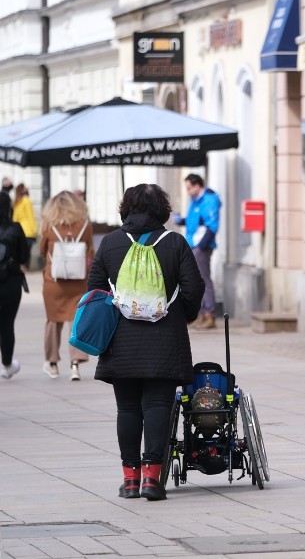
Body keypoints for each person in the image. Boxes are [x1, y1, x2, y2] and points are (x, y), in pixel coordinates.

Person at [88, 183, 203, 501]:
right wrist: (183, 315)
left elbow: (95, 290)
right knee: (157, 406)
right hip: (164, 340)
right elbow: (194, 287)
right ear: (162, 209)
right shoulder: (175, 243)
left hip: (120, 341)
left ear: (126, 207)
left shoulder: (110, 243)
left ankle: (130, 480)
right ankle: (153, 479)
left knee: (127, 409)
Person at [40, 191, 94, 381]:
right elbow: (90, 251)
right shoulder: (85, 225)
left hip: (54, 282)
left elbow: (41, 250)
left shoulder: (49, 225)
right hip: (78, 281)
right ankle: (75, 365)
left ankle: (53, 364)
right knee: (76, 321)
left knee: (53, 321)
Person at [173, 173, 220, 329]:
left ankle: (210, 314)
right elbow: (195, 221)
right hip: (193, 244)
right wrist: (182, 220)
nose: (187, 191)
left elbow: (212, 226)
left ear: (197, 185)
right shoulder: (195, 201)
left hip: (201, 246)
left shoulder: (209, 200)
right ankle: (201, 313)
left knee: (203, 280)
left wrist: (201, 246)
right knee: (195, 280)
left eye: (189, 188)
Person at [0, 192, 31, 380]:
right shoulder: (15, 228)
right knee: (7, 325)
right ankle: (7, 364)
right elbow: (24, 256)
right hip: (11, 281)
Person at [13, 183, 37, 252]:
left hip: (19, 231)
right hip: (28, 232)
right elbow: (30, 216)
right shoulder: (26, 200)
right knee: (27, 256)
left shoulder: (17, 201)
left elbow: (15, 218)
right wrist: (34, 230)